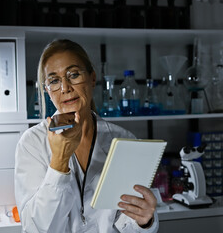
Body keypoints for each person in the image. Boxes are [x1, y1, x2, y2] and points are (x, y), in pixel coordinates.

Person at [14, 39, 159, 232]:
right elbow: (36, 229)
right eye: (54, 80)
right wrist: (59, 161)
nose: (65, 88)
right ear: (47, 91)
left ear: (92, 78)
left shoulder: (124, 140)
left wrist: (145, 222)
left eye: (73, 75)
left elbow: (128, 220)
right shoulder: (32, 143)